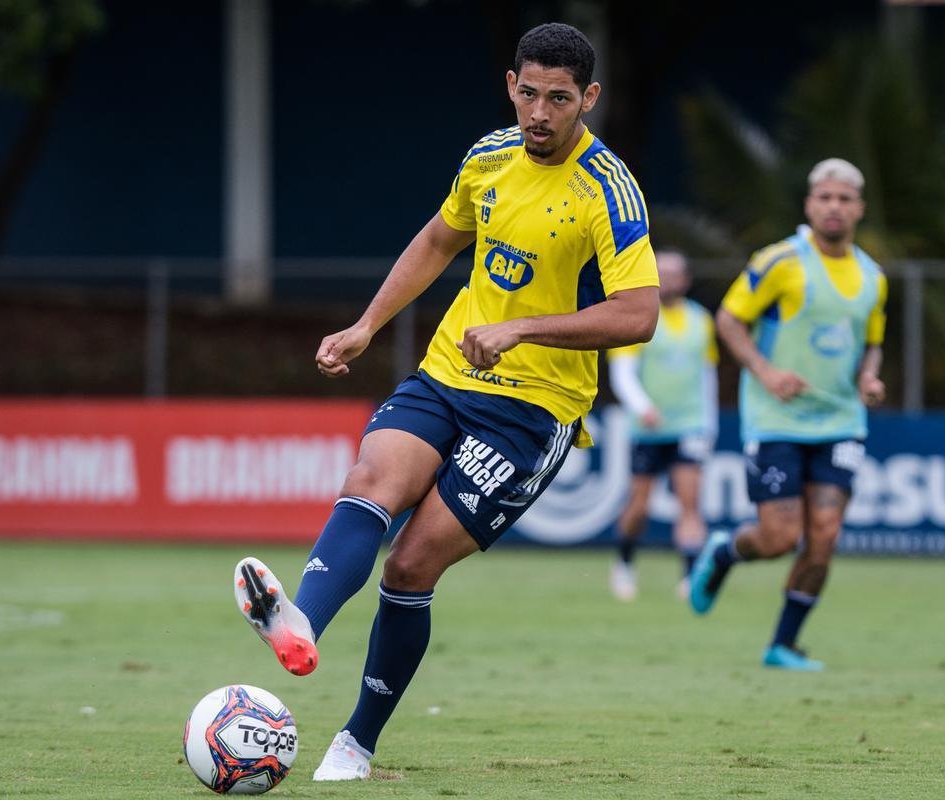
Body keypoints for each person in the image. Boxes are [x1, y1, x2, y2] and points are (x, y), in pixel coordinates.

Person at [231, 23, 658, 781]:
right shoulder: (488, 156)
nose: (540, 112)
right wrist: (367, 325)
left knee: (411, 564)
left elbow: (640, 313)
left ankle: (356, 742)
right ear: (510, 85)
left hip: (533, 411)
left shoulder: (608, 190)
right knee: (372, 480)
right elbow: (437, 241)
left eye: (559, 99)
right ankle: (297, 623)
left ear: (588, 99)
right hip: (448, 374)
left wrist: (524, 327)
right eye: (528, 93)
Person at [687, 158, 887, 672]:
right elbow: (729, 320)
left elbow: (872, 343)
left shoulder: (872, 277)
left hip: (841, 422)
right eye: (825, 197)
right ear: (809, 205)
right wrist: (765, 370)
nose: (835, 207)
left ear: (859, 208)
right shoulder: (780, 261)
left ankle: (782, 646)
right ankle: (726, 552)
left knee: (825, 537)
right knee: (778, 538)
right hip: (776, 419)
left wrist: (868, 377)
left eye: (845, 198)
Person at [606, 250, 717, 601]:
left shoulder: (702, 321)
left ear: (686, 280)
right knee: (639, 505)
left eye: (673, 273)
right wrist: (643, 407)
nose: (667, 279)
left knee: (690, 502)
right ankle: (624, 564)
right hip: (647, 428)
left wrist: (708, 424)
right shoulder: (637, 317)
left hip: (690, 425)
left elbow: (707, 376)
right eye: (660, 272)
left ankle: (689, 576)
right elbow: (622, 373)